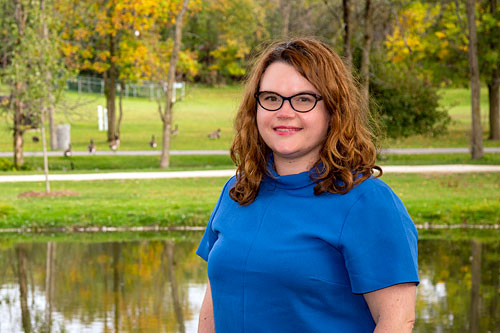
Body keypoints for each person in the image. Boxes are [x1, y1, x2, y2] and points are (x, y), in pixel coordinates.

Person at [197, 38, 419, 332]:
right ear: (255, 107)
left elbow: (397, 320)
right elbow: (215, 296)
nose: (284, 112)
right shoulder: (237, 191)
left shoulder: (368, 203)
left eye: (304, 99)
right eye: (271, 98)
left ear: (332, 109)